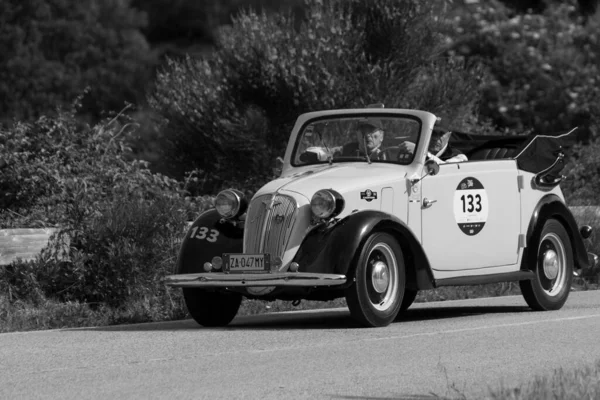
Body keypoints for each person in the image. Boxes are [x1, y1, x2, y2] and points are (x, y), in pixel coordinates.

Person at [398, 129, 467, 163]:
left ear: (449, 135)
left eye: (441, 134)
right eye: (433, 133)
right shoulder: (421, 148)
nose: (436, 138)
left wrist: (420, 152)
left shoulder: (459, 157)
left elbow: (445, 167)